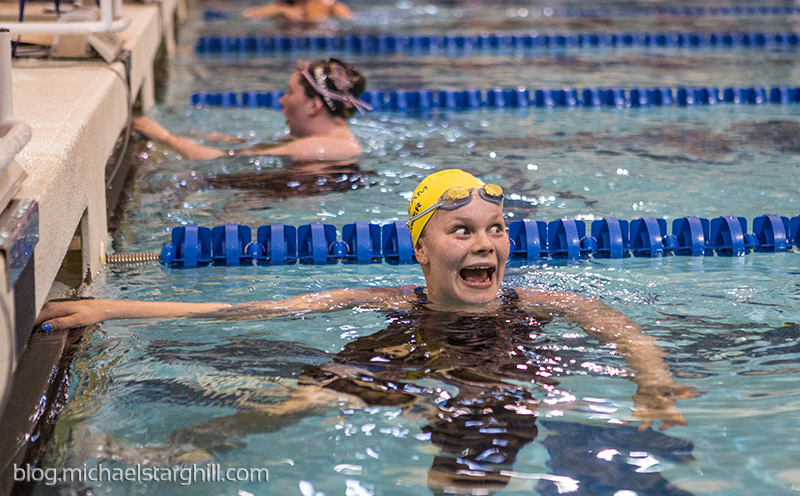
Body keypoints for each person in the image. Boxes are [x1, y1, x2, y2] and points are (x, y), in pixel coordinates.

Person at [37, 169, 697, 494]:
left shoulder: (540, 302)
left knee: (473, 471)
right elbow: (257, 310)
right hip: (402, 355)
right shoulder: (385, 301)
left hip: (496, 372)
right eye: (462, 231)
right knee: (294, 402)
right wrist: (112, 308)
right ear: (421, 250)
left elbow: (619, 327)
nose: (485, 243)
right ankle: (163, 455)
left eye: (496, 230)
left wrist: (653, 382)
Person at [132, 58, 369, 162]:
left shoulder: (315, 148)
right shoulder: (326, 142)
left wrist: (165, 138)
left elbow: (219, 160)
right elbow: (250, 148)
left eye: (290, 92)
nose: (281, 101)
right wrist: (218, 139)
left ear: (314, 105)